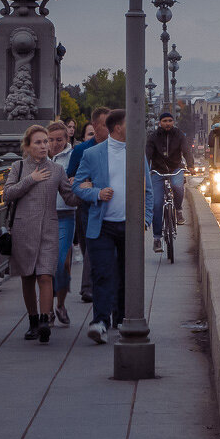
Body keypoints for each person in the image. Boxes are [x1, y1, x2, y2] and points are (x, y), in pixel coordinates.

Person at [73, 109, 153, 344]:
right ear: (117, 127)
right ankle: (99, 322)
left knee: (126, 274)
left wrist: (146, 219)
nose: (136, 128)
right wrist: (97, 193)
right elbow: (77, 186)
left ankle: (120, 317)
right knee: (103, 273)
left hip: (130, 225)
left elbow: (148, 190)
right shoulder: (93, 154)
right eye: (131, 123)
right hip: (102, 225)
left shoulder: (136, 153)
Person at [4, 125, 78, 343]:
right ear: (27, 146)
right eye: (38, 142)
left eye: (46, 142)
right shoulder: (18, 167)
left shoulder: (57, 170)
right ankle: (33, 321)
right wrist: (31, 179)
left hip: (48, 229)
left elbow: (69, 197)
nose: (44, 146)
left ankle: (45, 320)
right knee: (28, 277)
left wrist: (85, 190)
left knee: (46, 275)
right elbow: (7, 194)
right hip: (23, 230)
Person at [69, 107, 110, 303]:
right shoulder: (81, 150)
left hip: (111, 206)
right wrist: (90, 186)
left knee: (99, 246)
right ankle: (89, 288)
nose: (109, 129)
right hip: (87, 206)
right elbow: (72, 178)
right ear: (95, 125)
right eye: (104, 125)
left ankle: (91, 287)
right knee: (89, 247)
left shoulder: (117, 147)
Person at [146, 111, 195, 252]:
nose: (167, 123)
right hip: (157, 171)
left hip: (175, 168)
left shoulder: (179, 135)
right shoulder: (153, 137)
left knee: (177, 186)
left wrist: (190, 165)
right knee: (156, 204)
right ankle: (156, 238)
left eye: (170, 121)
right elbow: (147, 154)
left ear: (173, 122)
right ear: (159, 123)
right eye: (164, 121)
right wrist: (144, 172)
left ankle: (178, 210)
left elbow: (186, 150)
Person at [45, 121, 76, 327]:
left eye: (59, 140)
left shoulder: (73, 157)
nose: (55, 144)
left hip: (65, 214)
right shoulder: (39, 157)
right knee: (45, 265)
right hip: (43, 215)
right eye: (51, 140)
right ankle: (46, 311)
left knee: (62, 262)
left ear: (67, 139)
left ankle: (61, 303)